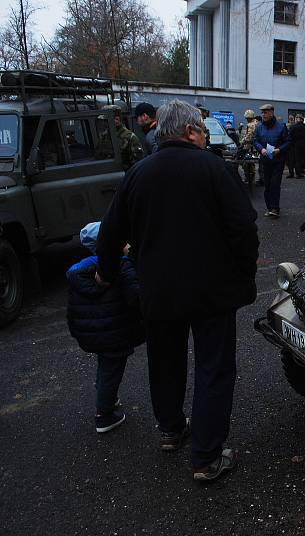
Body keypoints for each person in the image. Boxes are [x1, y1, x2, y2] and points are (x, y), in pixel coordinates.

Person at [95, 99, 259, 482]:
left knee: (165, 363)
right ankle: (206, 456)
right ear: (189, 132)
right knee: (214, 369)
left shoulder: (138, 172)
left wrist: (105, 273)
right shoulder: (215, 169)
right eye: (201, 130)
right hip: (211, 293)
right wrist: (244, 274)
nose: (204, 136)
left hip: (158, 291)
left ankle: (171, 428)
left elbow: (110, 231)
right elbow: (244, 230)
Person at [66, 222, 145, 434]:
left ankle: (106, 395)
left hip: (94, 333)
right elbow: (135, 297)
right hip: (115, 333)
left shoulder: (82, 268)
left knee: (105, 365)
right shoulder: (120, 265)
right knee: (111, 370)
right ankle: (104, 415)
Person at [253, 103, 291, 218]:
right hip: (265, 160)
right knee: (267, 185)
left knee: (275, 184)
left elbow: (288, 141)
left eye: (265, 112)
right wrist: (261, 149)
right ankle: (269, 207)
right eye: (262, 112)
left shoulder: (281, 126)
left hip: (277, 161)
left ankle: (275, 209)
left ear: (271, 112)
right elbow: (255, 141)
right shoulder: (259, 127)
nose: (263, 114)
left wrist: (279, 150)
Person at [98, 104, 144, 170]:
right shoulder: (104, 136)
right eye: (104, 121)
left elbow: (138, 163)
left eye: (106, 120)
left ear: (117, 119)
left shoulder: (129, 137)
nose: (104, 123)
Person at [289, 114, 305, 178]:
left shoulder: (293, 127)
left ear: (297, 119)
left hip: (297, 146)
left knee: (298, 160)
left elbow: (290, 137)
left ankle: (298, 174)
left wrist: (294, 144)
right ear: (303, 120)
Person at [240, 109, 259, 186]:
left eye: (246, 118)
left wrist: (241, 142)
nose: (246, 119)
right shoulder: (257, 123)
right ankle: (252, 179)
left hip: (249, 146)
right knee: (252, 164)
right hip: (255, 146)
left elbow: (249, 136)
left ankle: (249, 179)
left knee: (247, 164)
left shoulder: (250, 124)